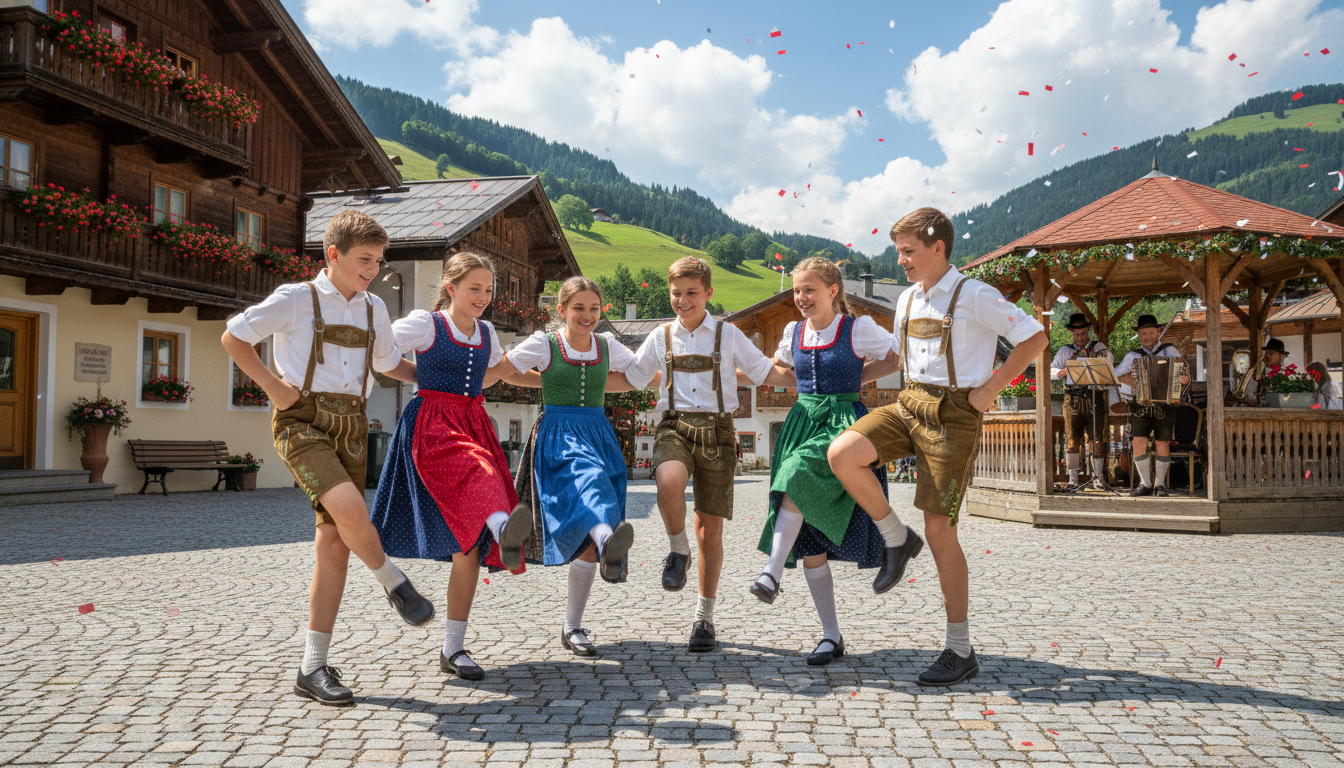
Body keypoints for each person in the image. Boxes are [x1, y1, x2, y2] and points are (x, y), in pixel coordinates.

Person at [221, 210, 435, 706]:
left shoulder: (373, 308)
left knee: (336, 545)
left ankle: (311, 668)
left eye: (378, 262)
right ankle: (395, 583)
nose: (372, 271)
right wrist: (275, 388)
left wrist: (438, 378)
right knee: (350, 508)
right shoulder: (296, 298)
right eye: (364, 260)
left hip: (354, 424)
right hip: (302, 420)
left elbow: (387, 364)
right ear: (332, 255)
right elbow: (234, 336)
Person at [827, 208, 1048, 687]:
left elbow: (1035, 338)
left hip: (954, 415)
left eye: (908, 251)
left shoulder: (975, 295)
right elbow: (898, 359)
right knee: (842, 454)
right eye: (899, 251)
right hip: (909, 404)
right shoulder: (906, 298)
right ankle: (896, 537)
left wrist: (989, 391)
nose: (901, 260)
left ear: (937, 248)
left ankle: (959, 648)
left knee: (941, 528)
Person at [370, 252, 534, 683]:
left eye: (488, 289)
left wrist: (549, 375)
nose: (482, 297)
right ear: (451, 288)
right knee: (482, 473)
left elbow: (492, 372)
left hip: (472, 420)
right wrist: (422, 377)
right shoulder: (427, 323)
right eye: (474, 288)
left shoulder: (487, 331)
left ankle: (453, 648)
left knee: (468, 548)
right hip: (434, 424)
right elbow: (381, 353)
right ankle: (504, 530)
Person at [626, 256, 793, 653]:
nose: (683, 301)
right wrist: (576, 372)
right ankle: (676, 549)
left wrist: (815, 375)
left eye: (691, 293)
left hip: (719, 430)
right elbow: (631, 375)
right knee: (667, 481)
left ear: (708, 294)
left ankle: (704, 618)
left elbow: (764, 372)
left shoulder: (729, 334)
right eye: (676, 293)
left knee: (710, 531)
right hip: (674, 425)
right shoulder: (660, 336)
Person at [751, 257, 899, 666]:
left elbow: (893, 361)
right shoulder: (793, 332)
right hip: (802, 420)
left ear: (833, 291)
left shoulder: (858, 328)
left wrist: (855, 380)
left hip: (840, 422)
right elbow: (783, 372)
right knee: (809, 536)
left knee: (795, 475)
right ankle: (831, 637)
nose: (801, 297)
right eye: (797, 290)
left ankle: (772, 572)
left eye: (809, 289)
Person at [488, 277, 639, 657]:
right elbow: (506, 369)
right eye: (578, 308)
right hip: (559, 434)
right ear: (562, 311)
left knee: (591, 524)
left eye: (593, 308)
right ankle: (610, 543)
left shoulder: (607, 345)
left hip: (599, 432)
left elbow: (638, 375)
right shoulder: (545, 343)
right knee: (592, 486)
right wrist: (541, 382)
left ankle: (573, 626)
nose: (587, 316)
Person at [1114, 314, 1191, 497]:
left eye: (1150, 332)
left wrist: (1183, 379)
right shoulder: (1133, 356)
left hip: (1165, 404)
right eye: (1143, 333)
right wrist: (1124, 378)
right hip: (1139, 404)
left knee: (1162, 442)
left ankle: (1160, 485)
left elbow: (1186, 375)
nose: (1147, 336)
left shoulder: (1169, 351)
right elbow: (1113, 375)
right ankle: (1145, 483)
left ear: (1158, 332)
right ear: (1139, 335)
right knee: (1138, 440)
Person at [1049, 313, 1114, 490]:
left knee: (1097, 439)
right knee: (1072, 439)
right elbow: (1050, 372)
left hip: (1095, 396)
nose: (1080, 337)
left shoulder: (1099, 347)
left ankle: (1098, 479)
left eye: (1083, 333)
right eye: (1077, 334)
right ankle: (1073, 480)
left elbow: (1109, 364)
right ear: (1071, 332)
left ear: (1088, 331)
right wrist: (1060, 372)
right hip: (1072, 397)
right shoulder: (1065, 351)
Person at [1242, 338, 1289, 407]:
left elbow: (1279, 400)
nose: (1267, 356)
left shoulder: (1283, 375)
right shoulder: (1261, 372)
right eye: (1266, 353)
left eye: (1271, 353)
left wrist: (1257, 402)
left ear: (1280, 356)